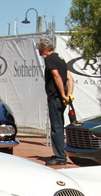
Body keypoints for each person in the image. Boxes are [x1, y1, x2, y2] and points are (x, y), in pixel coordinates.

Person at [36, 37, 71, 165]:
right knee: (59, 126)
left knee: (56, 127)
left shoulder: (49, 59)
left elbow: (56, 76)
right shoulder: (61, 58)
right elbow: (69, 78)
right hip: (60, 98)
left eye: (40, 50)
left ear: (45, 49)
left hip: (55, 97)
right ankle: (60, 153)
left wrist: (62, 94)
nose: (39, 53)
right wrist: (68, 95)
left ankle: (60, 157)